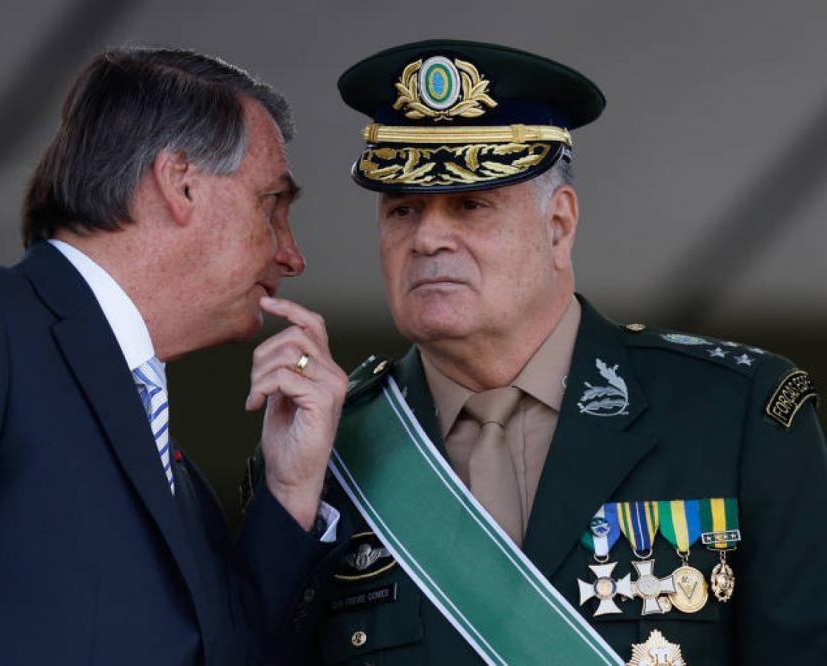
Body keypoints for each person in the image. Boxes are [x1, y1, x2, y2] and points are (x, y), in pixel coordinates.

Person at [264, 40, 827, 665]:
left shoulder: (736, 414)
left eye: (470, 205)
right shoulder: (327, 449)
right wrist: (286, 503)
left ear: (558, 226)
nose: (427, 238)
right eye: (403, 210)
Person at [0, 47, 349, 665]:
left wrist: (289, 490)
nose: (292, 255)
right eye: (272, 206)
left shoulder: (182, 484)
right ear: (180, 181)